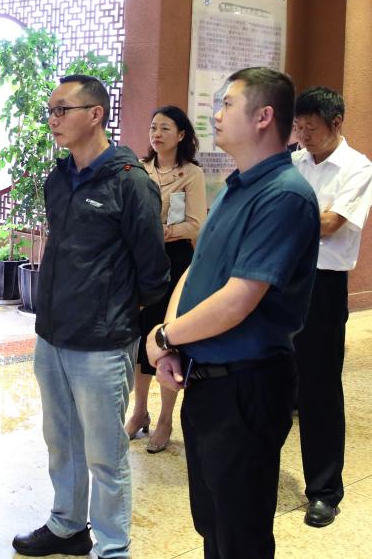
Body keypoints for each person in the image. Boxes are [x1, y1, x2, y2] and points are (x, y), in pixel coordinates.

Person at [147, 67, 320, 559]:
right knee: (213, 525)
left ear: (263, 116)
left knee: (240, 535)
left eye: (226, 104)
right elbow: (196, 270)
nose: (215, 114)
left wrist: (163, 339)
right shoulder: (235, 186)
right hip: (206, 381)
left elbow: (239, 298)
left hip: (247, 386)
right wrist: (171, 337)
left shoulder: (284, 194)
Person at [12, 75, 168, 558]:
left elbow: (154, 274)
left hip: (102, 342)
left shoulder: (131, 182)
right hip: (52, 334)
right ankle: (67, 526)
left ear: (96, 114)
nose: (53, 120)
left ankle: (113, 547)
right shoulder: (58, 178)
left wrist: (112, 311)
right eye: (51, 111)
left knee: (106, 454)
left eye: (63, 110)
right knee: (61, 442)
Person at [291, 86, 372, 527]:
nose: (303, 136)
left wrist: (287, 216)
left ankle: (324, 491)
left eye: (311, 128)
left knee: (319, 388)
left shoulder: (358, 168)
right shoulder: (294, 162)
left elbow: (330, 223)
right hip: (283, 279)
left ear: (336, 123)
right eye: (298, 127)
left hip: (322, 286)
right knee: (274, 379)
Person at [124, 106, 206, 453]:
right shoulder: (137, 169)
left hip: (174, 261)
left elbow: (195, 224)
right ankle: (139, 411)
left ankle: (165, 420)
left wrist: (157, 231)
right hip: (140, 262)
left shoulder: (191, 174)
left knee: (166, 342)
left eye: (165, 128)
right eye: (153, 128)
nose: (156, 134)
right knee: (140, 340)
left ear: (181, 135)